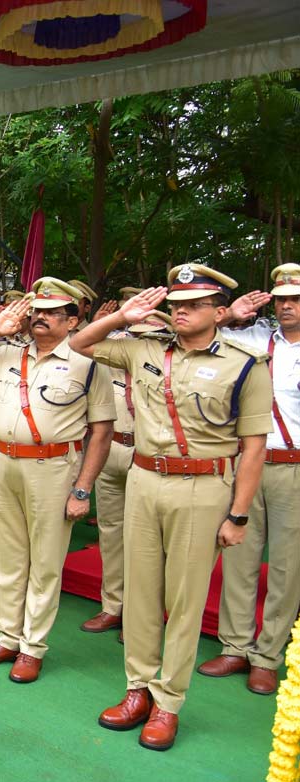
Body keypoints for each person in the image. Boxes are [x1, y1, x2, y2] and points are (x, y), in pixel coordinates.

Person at [70, 264, 271, 751]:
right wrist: (122, 317)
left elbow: (254, 446)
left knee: (183, 601)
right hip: (143, 478)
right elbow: (79, 344)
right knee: (141, 591)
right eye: (175, 304)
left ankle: (168, 702)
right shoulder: (143, 348)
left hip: (202, 489)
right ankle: (136, 689)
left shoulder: (245, 363)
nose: (180, 312)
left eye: (193, 305)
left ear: (220, 312)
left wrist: (239, 513)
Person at [0, 278, 115, 683]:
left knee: (45, 561)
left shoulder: (89, 364)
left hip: (54, 469)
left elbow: (102, 432)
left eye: (53, 313)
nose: (40, 318)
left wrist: (82, 488)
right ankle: (6, 637)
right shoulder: (5, 353)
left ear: (73, 321)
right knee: (5, 556)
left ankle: (32, 646)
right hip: (4, 463)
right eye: (36, 311)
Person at [197, 263, 300, 696]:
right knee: (237, 554)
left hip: (294, 466)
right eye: (281, 299)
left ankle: (267, 656)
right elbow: (194, 343)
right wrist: (230, 315)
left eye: (296, 299)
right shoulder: (252, 337)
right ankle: (235, 646)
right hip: (245, 462)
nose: (287, 306)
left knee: (286, 565)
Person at [82, 311, 173, 637]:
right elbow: (81, 343)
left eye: (147, 337)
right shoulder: (108, 366)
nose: (137, 343)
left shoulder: (170, 369)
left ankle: (143, 615)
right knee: (111, 534)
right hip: (111, 451)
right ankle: (112, 606)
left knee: (147, 542)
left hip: (147, 456)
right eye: (132, 335)